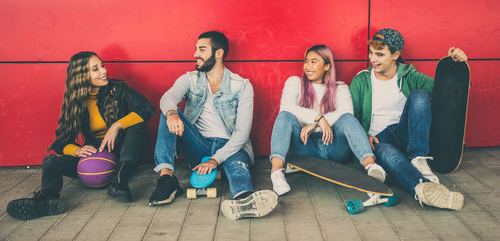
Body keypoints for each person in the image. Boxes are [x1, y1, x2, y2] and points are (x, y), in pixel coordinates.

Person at [7, 51, 155, 220]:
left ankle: (120, 182)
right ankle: (46, 199)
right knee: (50, 161)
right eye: (95, 69)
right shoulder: (76, 102)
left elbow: (146, 108)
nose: (103, 71)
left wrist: (117, 125)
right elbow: (60, 142)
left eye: (102, 65)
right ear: (82, 76)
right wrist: (77, 151)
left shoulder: (118, 89)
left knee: (137, 124)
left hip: (121, 156)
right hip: (93, 160)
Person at [149, 31, 278, 220]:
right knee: (167, 112)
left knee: (238, 171)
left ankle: (244, 200)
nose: (195, 55)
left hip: (231, 146)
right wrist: (171, 113)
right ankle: (167, 179)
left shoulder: (241, 86)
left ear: (218, 53)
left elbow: (242, 134)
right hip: (198, 146)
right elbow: (168, 98)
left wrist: (216, 160)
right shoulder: (190, 79)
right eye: (195, 49)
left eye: (202, 49)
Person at [350, 28, 467, 210]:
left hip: (406, 134)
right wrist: (363, 136)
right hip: (379, 139)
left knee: (419, 95)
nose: (373, 59)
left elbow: (445, 92)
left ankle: (419, 157)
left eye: (380, 54)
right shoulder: (362, 80)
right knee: (392, 158)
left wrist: (458, 67)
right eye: (371, 53)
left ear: (395, 55)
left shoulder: (409, 75)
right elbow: (352, 117)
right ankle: (424, 188)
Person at [269, 45, 386, 195]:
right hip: (305, 146)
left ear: (327, 66)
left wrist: (314, 125)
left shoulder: (341, 88)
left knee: (347, 119)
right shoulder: (294, 83)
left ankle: (371, 167)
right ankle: (277, 173)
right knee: (284, 116)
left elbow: (346, 112)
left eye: (314, 62)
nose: (308, 66)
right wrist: (318, 118)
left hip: (334, 147)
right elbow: (286, 107)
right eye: (306, 61)